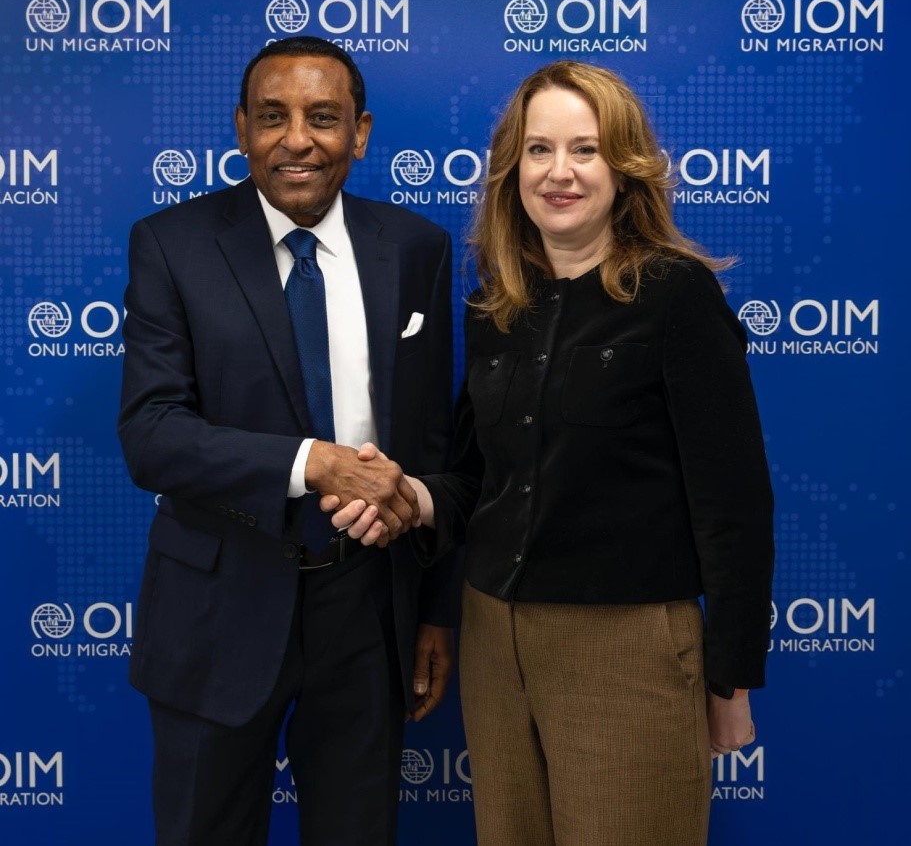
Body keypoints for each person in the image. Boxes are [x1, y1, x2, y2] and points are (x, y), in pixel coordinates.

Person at [330, 60, 775, 846]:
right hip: (494, 637)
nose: (558, 172)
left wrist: (729, 678)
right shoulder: (494, 306)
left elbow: (733, 501)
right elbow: (478, 477)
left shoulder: (674, 295)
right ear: (512, 169)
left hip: (626, 644)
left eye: (584, 150)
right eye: (538, 150)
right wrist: (410, 498)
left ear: (624, 168)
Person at [117, 36, 456, 846]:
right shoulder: (171, 243)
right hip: (218, 602)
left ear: (360, 133)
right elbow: (151, 434)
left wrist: (435, 613)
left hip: (368, 606)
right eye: (272, 117)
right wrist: (314, 463)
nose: (296, 140)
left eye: (323, 118)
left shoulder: (417, 248)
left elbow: (435, 449)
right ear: (241, 129)